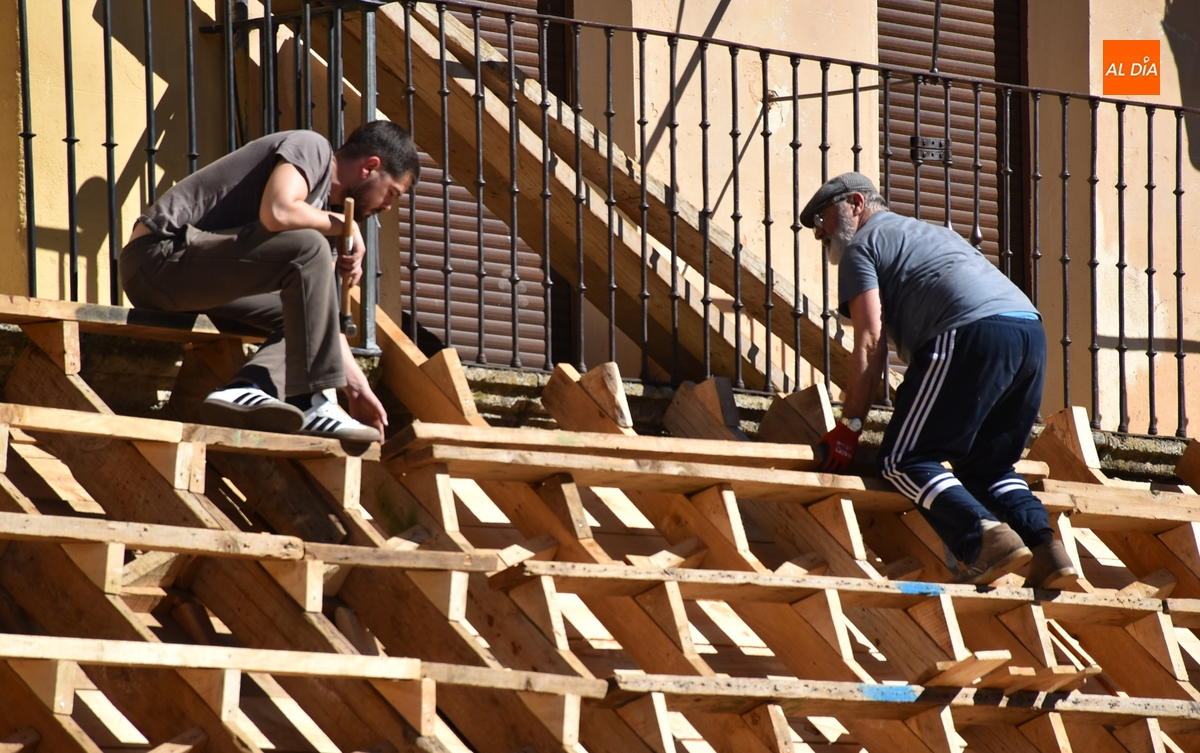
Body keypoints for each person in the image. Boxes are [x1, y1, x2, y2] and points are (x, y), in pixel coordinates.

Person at [802, 172, 1077, 589]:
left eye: (823, 218)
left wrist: (850, 426)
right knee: (987, 469)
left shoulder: (863, 246)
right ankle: (1047, 551)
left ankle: (986, 539)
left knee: (902, 460)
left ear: (856, 204)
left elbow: (871, 341)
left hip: (969, 332)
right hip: (1029, 335)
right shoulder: (932, 232)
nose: (820, 233)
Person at [120, 121, 419, 442]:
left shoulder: (322, 217)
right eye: (391, 193)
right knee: (310, 246)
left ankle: (249, 387)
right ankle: (307, 400)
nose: (388, 206)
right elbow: (278, 211)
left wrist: (357, 390)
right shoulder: (312, 147)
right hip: (156, 259)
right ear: (370, 167)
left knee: (308, 313)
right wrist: (346, 224)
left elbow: (320, 319)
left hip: (191, 283)